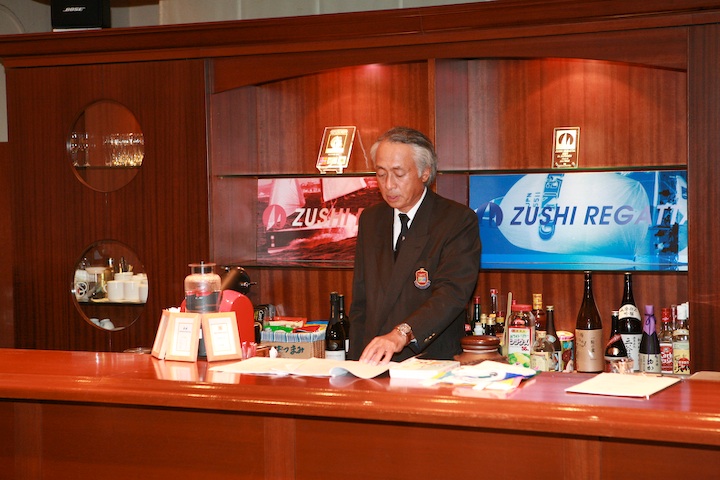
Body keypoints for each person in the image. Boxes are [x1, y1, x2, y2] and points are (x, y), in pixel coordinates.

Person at [349, 126, 481, 365]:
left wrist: (403, 333)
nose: (389, 184)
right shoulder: (371, 219)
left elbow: (451, 295)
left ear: (425, 173)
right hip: (373, 361)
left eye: (399, 174)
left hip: (429, 361)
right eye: (381, 174)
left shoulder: (456, 220)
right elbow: (361, 302)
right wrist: (354, 363)